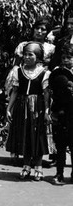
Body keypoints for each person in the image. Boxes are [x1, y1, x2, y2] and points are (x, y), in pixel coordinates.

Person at [5, 42, 50, 181]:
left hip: (38, 108)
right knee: (24, 135)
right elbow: (15, 91)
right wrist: (9, 108)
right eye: (25, 54)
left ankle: (38, 166)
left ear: (38, 57)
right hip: (22, 106)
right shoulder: (18, 71)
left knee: (37, 135)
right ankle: (26, 165)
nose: (27, 57)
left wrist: (47, 110)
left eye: (30, 54)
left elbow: (47, 94)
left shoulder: (44, 73)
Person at [48, 44, 73, 185]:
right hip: (61, 111)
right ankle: (59, 173)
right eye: (63, 57)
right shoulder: (57, 72)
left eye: (69, 57)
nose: (66, 60)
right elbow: (52, 90)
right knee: (61, 145)